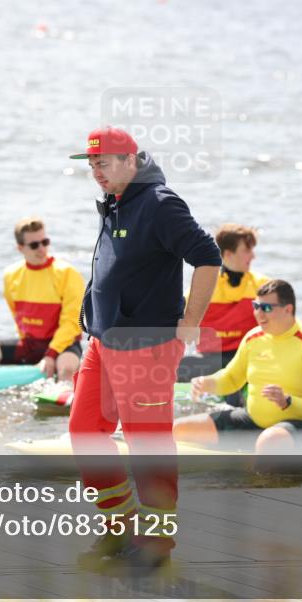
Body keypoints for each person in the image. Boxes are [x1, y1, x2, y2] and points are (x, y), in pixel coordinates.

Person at [67, 126, 221, 574]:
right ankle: (121, 525)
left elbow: (208, 256)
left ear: (131, 161)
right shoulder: (116, 199)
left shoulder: (159, 203)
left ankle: (156, 544)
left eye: (105, 162)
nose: (96, 171)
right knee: (84, 432)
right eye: (92, 164)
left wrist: (190, 322)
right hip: (103, 340)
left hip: (146, 345)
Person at [173, 279, 302, 454]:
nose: (258, 314)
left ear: (288, 310)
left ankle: (260, 470)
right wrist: (207, 383)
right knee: (178, 429)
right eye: (256, 306)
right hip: (256, 423)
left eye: (266, 308)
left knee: (269, 441)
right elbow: (231, 378)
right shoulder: (253, 338)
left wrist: (289, 402)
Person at [0, 217, 85, 381]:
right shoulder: (11, 275)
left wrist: (50, 354)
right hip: (30, 345)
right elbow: (17, 316)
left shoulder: (67, 273)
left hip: (64, 347)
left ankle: (62, 401)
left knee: (66, 369)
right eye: (34, 245)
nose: (42, 249)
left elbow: (72, 322)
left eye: (45, 242)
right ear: (20, 248)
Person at [176, 224, 271, 407]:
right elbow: (177, 324)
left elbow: (283, 321)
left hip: (246, 357)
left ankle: (236, 417)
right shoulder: (204, 288)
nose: (253, 256)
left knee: (233, 388)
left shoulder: (262, 286)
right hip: (211, 358)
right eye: (247, 250)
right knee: (168, 368)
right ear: (228, 254)